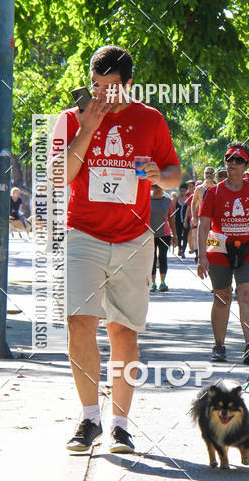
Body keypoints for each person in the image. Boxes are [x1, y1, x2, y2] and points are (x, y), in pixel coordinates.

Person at [49, 45, 180, 454]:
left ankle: (120, 426)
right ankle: (90, 419)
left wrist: (159, 176)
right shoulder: (71, 119)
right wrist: (87, 129)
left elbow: (174, 174)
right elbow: (59, 176)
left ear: (129, 84)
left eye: (112, 86)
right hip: (83, 235)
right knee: (79, 323)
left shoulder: (151, 119)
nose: (103, 94)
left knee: (123, 330)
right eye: (97, 85)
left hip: (133, 239)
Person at [197, 142, 249, 364]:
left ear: (246, 166)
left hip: (248, 249)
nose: (233, 163)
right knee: (222, 297)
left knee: (246, 294)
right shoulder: (213, 192)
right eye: (229, 158)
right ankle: (219, 345)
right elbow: (203, 225)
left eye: (239, 160)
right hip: (219, 249)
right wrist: (201, 256)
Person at [150, 185, 175, 292]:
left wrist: (175, 235)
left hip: (165, 234)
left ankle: (163, 282)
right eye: (155, 186)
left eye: (160, 186)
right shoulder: (146, 200)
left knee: (163, 257)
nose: (158, 188)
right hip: (150, 234)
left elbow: (171, 218)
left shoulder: (167, 201)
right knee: (152, 258)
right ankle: (153, 283)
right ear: (152, 187)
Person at [190, 167, 216, 263]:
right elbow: (193, 202)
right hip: (202, 217)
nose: (209, 175)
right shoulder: (199, 188)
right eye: (207, 173)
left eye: (211, 173)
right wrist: (194, 216)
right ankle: (201, 256)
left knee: (213, 239)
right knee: (202, 238)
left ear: (214, 175)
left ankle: (212, 257)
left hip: (214, 219)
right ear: (204, 175)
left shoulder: (217, 188)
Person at [172, 183, 190, 257]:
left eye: (184, 191)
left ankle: (183, 250)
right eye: (181, 191)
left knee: (185, 235)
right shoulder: (176, 198)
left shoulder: (188, 199)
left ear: (186, 191)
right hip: (178, 220)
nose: (182, 192)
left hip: (186, 220)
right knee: (179, 235)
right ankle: (179, 248)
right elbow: (173, 208)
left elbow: (190, 210)